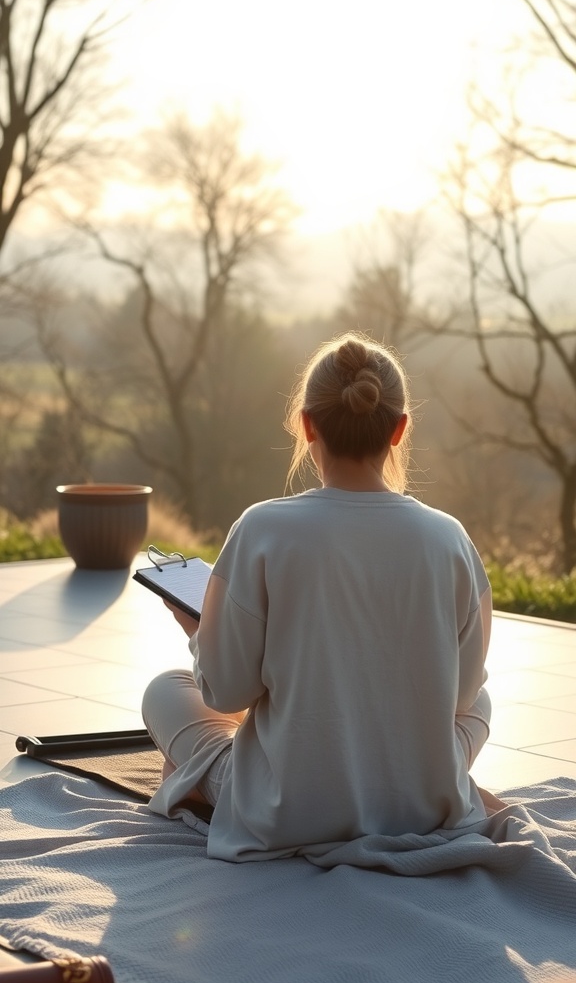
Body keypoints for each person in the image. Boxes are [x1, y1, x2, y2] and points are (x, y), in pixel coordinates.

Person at [142, 331, 497, 863]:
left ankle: (204, 778)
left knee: (167, 690)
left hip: (286, 811)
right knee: (483, 701)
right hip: (419, 807)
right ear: (399, 429)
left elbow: (225, 693)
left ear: (306, 424)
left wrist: (200, 634)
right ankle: (416, 784)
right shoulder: (450, 538)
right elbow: (462, 697)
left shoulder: (262, 528)